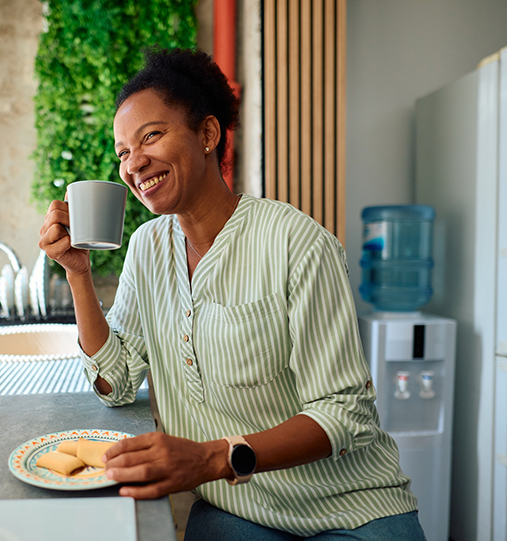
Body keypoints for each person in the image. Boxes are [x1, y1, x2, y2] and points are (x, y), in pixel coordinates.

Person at [39, 47, 425, 540]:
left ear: (207, 134)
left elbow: (344, 414)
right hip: (237, 507)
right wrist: (78, 274)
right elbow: (114, 383)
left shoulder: (298, 243)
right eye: (121, 152)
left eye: (150, 136)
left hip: (350, 509)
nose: (134, 163)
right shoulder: (147, 248)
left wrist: (209, 457)